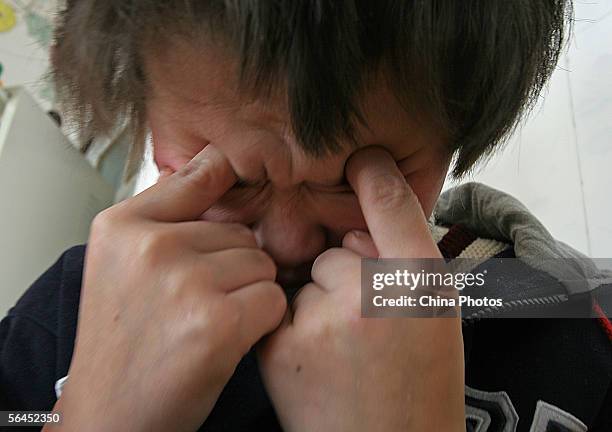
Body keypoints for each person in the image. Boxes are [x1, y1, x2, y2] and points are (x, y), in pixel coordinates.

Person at [1, 1, 610, 431]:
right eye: (233, 179)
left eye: (349, 182)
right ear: (145, 122)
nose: (290, 242)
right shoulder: (61, 327)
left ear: (457, 136)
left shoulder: (553, 315)